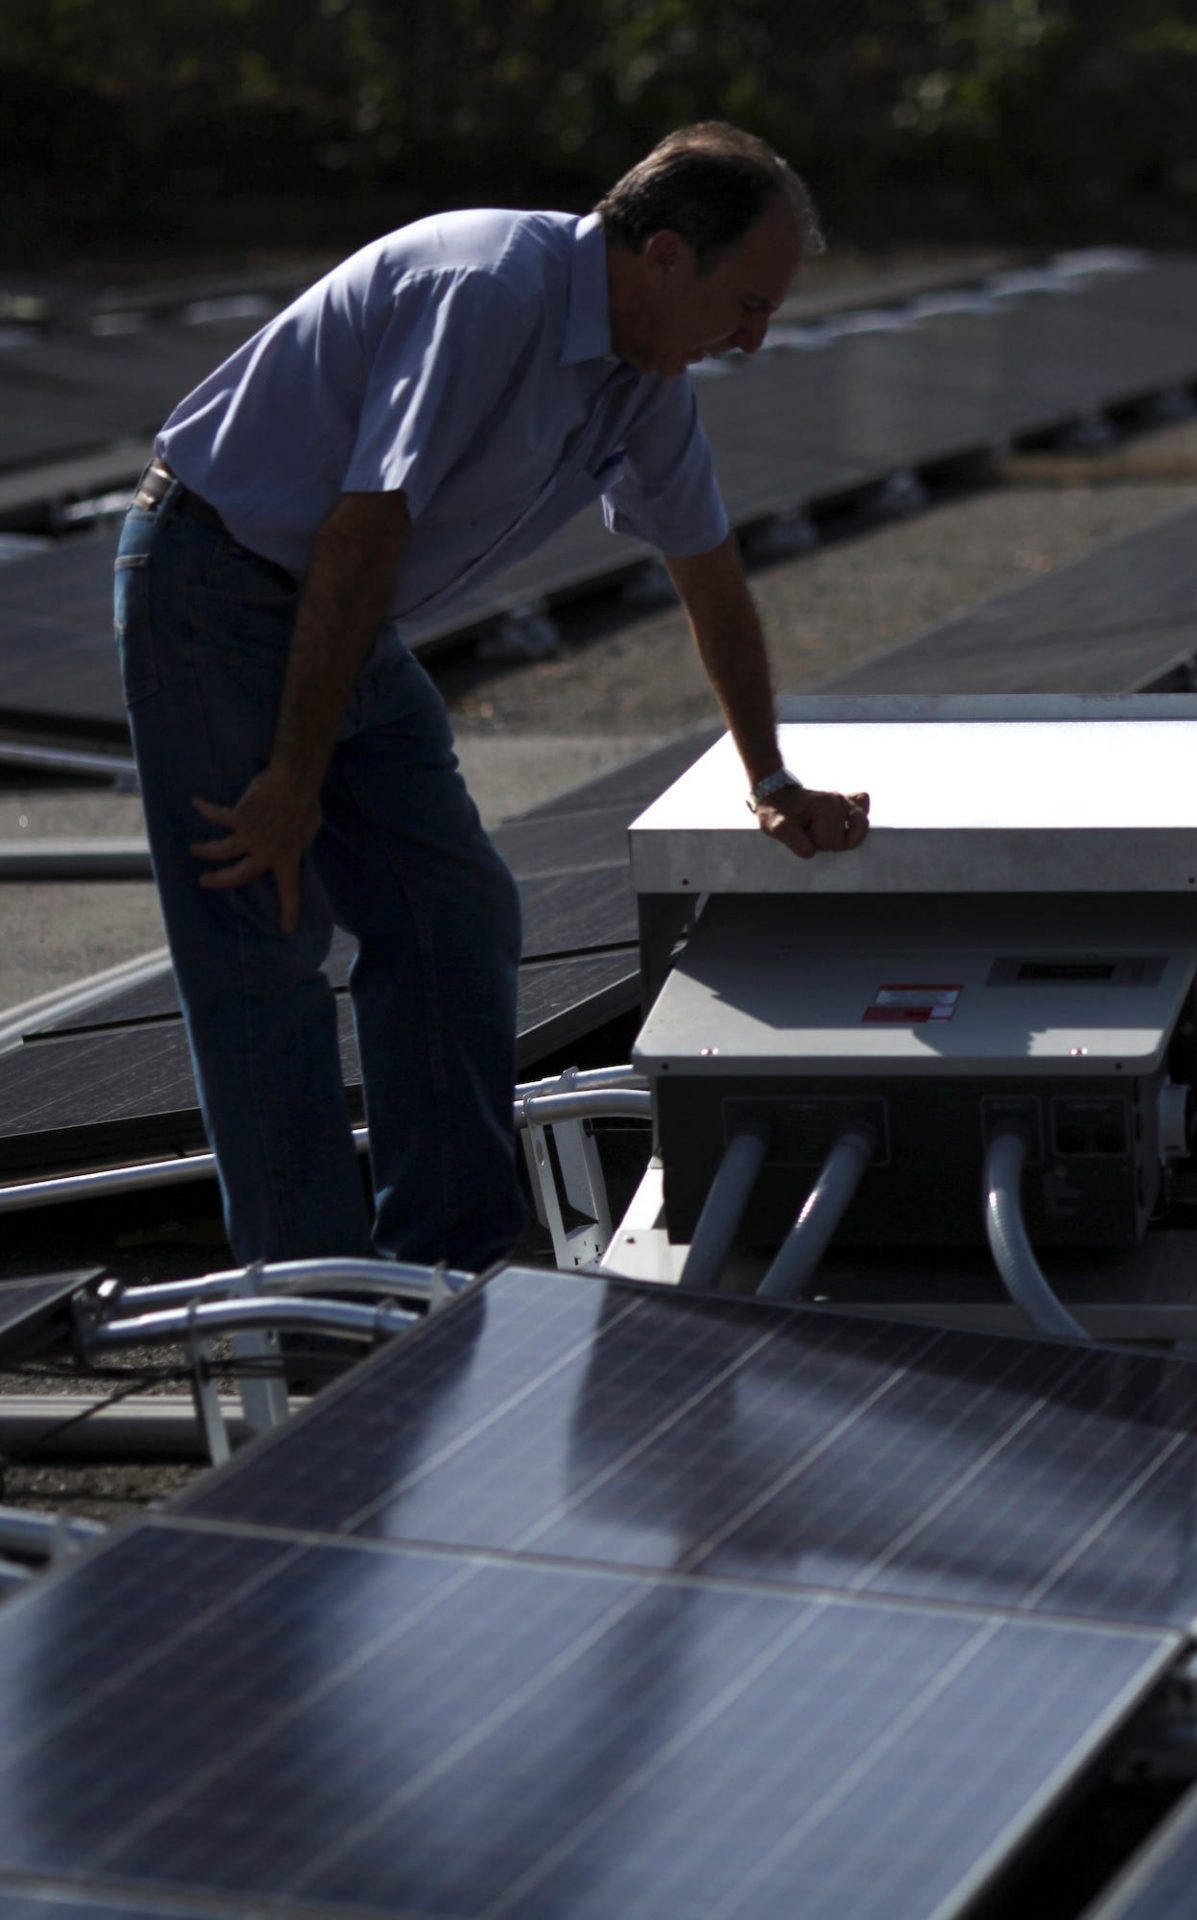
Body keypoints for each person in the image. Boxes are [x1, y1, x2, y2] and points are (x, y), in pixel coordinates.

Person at [114, 121, 866, 1274]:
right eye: (749, 305)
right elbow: (365, 527)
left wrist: (769, 778)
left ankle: (442, 1273)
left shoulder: (643, 379)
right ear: (665, 256)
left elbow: (710, 577)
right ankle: (312, 1311)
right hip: (216, 582)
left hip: (337, 613)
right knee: (265, 936)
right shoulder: (488, 290)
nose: (754, 342)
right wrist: (292, 782)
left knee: (454, 915)